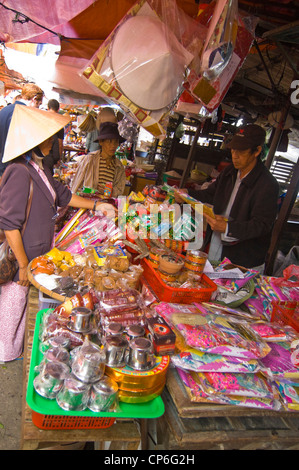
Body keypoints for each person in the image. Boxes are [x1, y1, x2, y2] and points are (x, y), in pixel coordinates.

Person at [0, 104, 115, 362]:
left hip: (37, 256)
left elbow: (63, 195)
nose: (54, 141)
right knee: (12, 310)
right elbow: (9, 224)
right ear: (35, 141)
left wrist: (97, 205)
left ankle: (14, 352)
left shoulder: (39, 169)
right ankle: (6, 356)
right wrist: (21, 264)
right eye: (49, 137)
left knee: (21, 311)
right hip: (24, 258)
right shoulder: (19, 171)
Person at [181, 124, 279, 271]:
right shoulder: (230, 172)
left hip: (244, 258)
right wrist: (186, 194)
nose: (235, 155)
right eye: (233, 149)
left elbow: (262, 225)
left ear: (257, 151)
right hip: (217, 243)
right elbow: (210, 194)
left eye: (241, 151)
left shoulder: (268, 184)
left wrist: (228, 228)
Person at [71, 121, 126, 197]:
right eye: (109, 142)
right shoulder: (89, 160)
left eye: (116, 142)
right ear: (101, 142)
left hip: (106, 206)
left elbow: (119, 191)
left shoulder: (119, 167)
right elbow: (76, 185)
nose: (113, 146)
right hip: (88, 204)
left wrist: (109, 191)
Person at [0, 83, 44, 177]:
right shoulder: (25, 115)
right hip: (16, 170)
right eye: (39, 105)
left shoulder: (4, 111)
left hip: (2, 166)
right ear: (34, 99)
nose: (38, 108)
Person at [43, 99, 64, 174]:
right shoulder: (60, 123)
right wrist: (58, 159)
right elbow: (60, 144)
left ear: (48, 108)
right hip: (50, 159)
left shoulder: (42, 119)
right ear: (58, 109)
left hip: (38, 157)